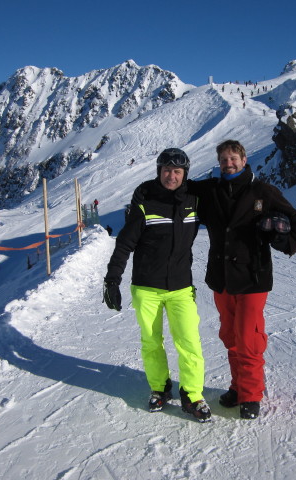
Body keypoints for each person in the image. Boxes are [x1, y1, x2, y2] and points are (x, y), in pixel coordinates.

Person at [188, 139, 296, 420]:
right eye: (223, 160)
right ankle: (238, 387)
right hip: (222, 278)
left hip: (253, 277)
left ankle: (251, 394)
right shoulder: (211, 190)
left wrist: (281, 239)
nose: (228, 164)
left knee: (248, 337)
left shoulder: (262, 191)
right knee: (230, 336)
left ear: (243, 159)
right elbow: (179, 185)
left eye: (233, 159)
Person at [103, 148, 211, 422]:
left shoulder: (194, 203)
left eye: (177, 171)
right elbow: (124, 245)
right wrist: (112, 279)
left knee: (189, 341)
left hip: (181, 288)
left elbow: (224, 217)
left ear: (185, 174)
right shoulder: (144, 206)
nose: (171, 176)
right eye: (166, 170)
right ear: (158, 171)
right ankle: (160, 388)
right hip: (146, 288)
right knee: (151, 341)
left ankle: (192, 394)